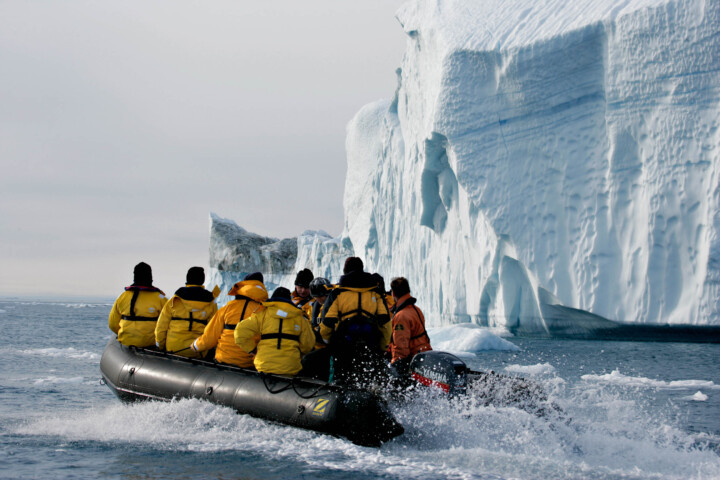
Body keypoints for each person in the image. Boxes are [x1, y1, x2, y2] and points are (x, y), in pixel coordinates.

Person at [319, 257, 391, 385]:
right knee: (372, 377)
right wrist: (383, 346)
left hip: (344, 345)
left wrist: (327, 341)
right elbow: (385, 323)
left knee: (342, 379)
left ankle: (339, 395)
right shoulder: (375, 293)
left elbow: (328, 322)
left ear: (345, 271)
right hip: (370, 343)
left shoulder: (338, 293)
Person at [191, 272, 267, 368]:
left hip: (223, 360)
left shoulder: (227, 307)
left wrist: (196, 346)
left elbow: (210, 338)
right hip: (248, 365)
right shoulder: (263, 311)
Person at [234, 287, 315, 376]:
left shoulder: (262, 314)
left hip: (264, 365)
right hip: (290, 367)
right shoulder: (300, 318)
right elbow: (308, 345)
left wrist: (252, 349)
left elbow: (239, 333)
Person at [155, 267, 219, 358]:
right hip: (198, 352)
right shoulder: (211, 303)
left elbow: (161, 327)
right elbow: (213, 330)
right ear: (202, 280)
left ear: (187, 279)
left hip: (173, 349)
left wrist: (160, 347)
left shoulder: (175, 300)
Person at [108, 262, 167, 348]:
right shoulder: (161, 299)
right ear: (150, 277)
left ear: (134, 276)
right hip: (151, 344)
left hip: (126, 342)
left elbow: (112, 324)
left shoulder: (123, 296)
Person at [388, 277, 432, 374]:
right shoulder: (416, 309)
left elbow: (401, 344)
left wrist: (396, 364)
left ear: (393, 293)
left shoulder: (401, 316)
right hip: (423, 355)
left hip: (411, 360)